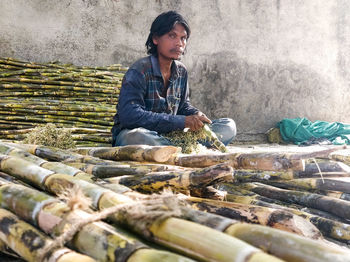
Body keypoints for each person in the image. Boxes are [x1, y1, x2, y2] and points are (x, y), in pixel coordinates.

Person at [112, 11, 236, 147]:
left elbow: (183, 106)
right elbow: (130, 116)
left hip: (172, 135)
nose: (179, 43)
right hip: (144, 135)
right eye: (172, 36)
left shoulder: (181, 71)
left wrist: (195, 114)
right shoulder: (139, 71)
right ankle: (180, 148)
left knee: (228, 126)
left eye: (183, 38)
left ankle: (173, 148)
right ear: (155, 39)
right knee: (134, 137)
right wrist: (182, 121)